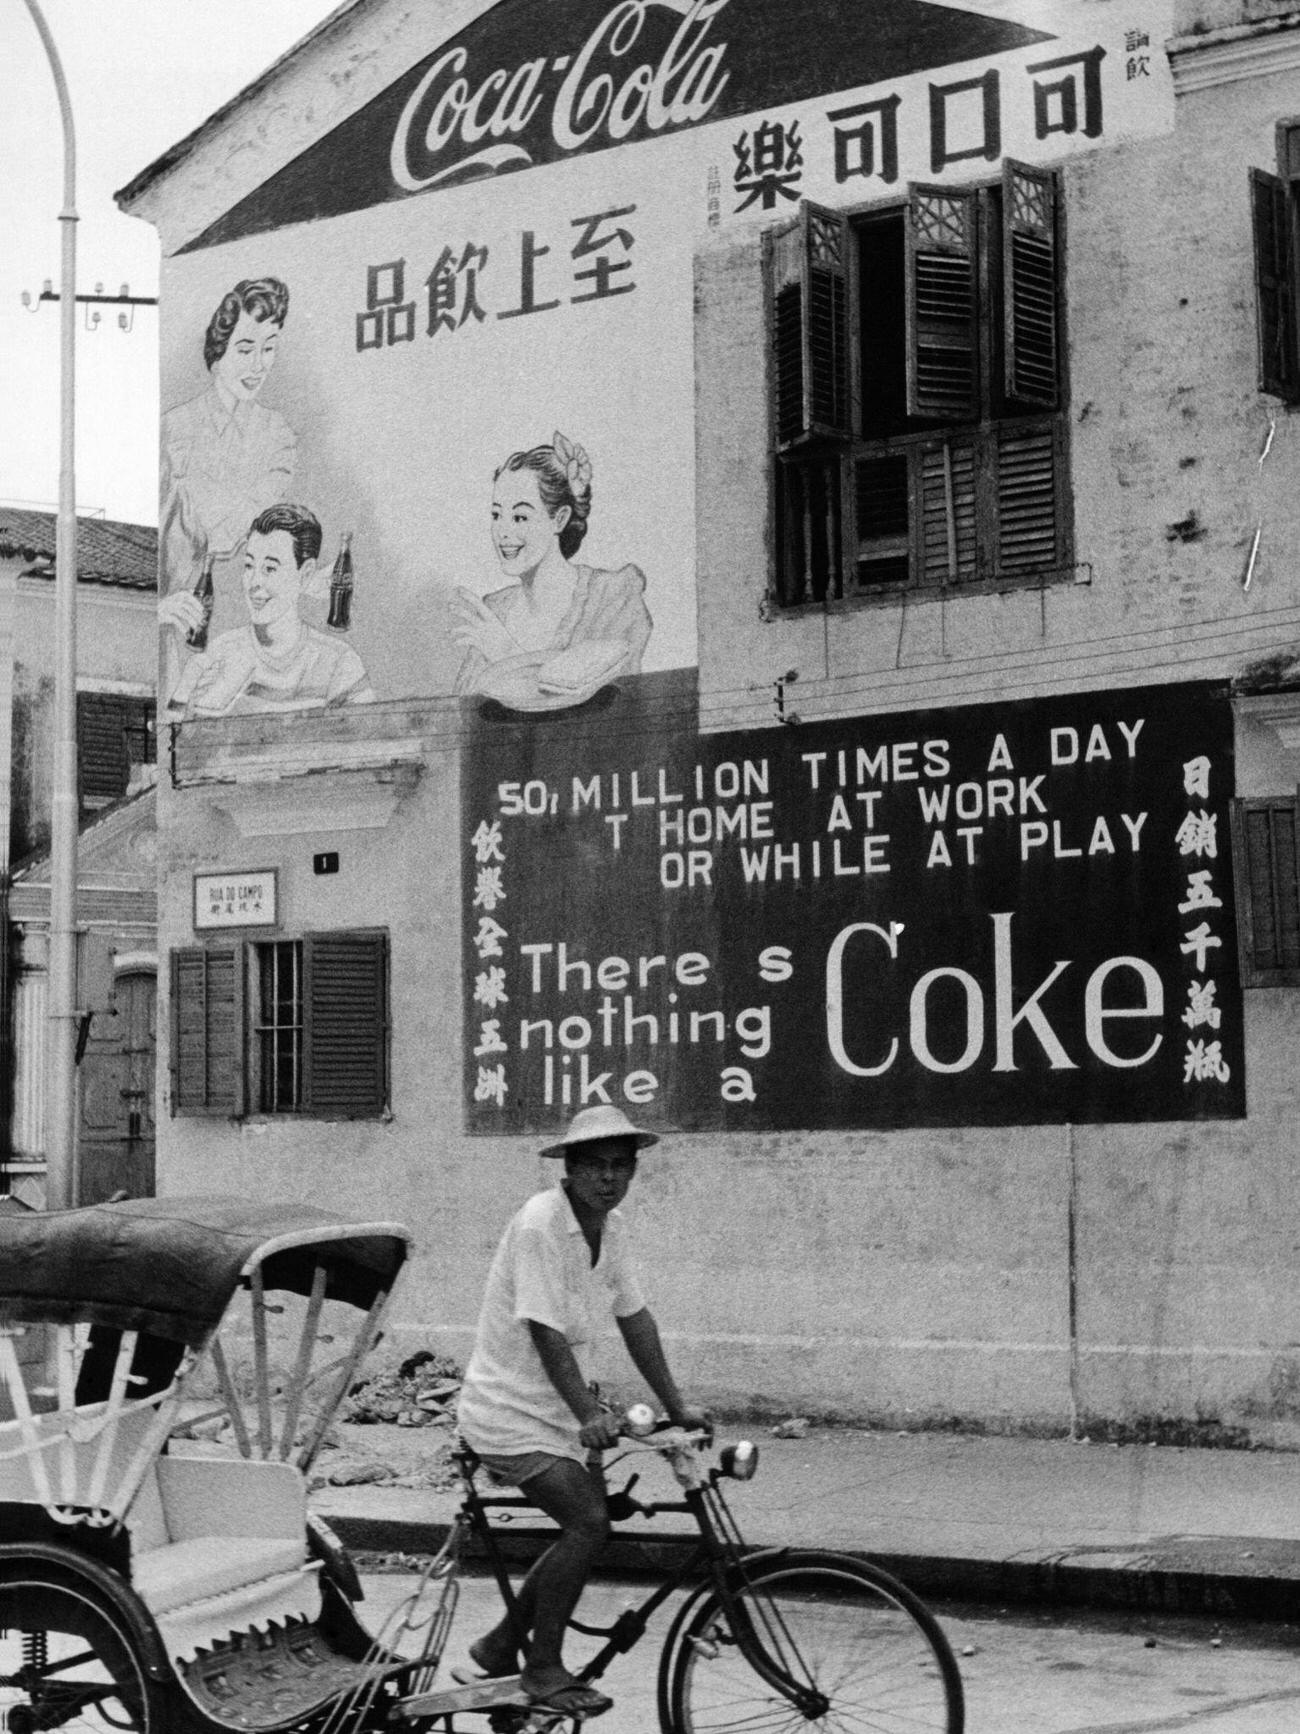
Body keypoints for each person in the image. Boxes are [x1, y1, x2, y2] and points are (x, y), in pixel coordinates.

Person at [455, 1105, 708, 1720]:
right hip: (505, 1410)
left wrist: (678, 1408)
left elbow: (635, 1318)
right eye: (595, 1165)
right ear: (569, 1170)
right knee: (589, 1523)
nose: (609, 1178)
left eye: (621, 1166)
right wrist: (588, 1412)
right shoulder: (542, 1223)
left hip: (559, 1410)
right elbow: (544, 1332)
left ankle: (497, 1646)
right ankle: (542, 1667)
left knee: (587, 1525)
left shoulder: (609, 1228)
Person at [453, 432, 653, 703]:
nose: (503, 531)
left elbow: (615, 707)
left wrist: (506, 654)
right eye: (497, 515)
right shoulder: (494, 609)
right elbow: (469, 717)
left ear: (559, 519)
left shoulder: (611, 597)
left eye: (520, 517)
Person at [159, 277, 297, 653]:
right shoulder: (175, 429)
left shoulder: (277, 435)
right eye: (245, 348)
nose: (258, 365)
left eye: (269, 349)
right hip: (180, 630)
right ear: (218, 354)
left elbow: (254, 521)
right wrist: (158, 607)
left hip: (243, 635)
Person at [167, 504, 373, 717]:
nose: (254, 582)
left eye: (270, 569)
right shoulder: (218, 655)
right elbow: (180, 742)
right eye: (248, 566)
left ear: (305, 573)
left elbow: (367, 743)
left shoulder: (339, 662)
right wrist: (204, 701)